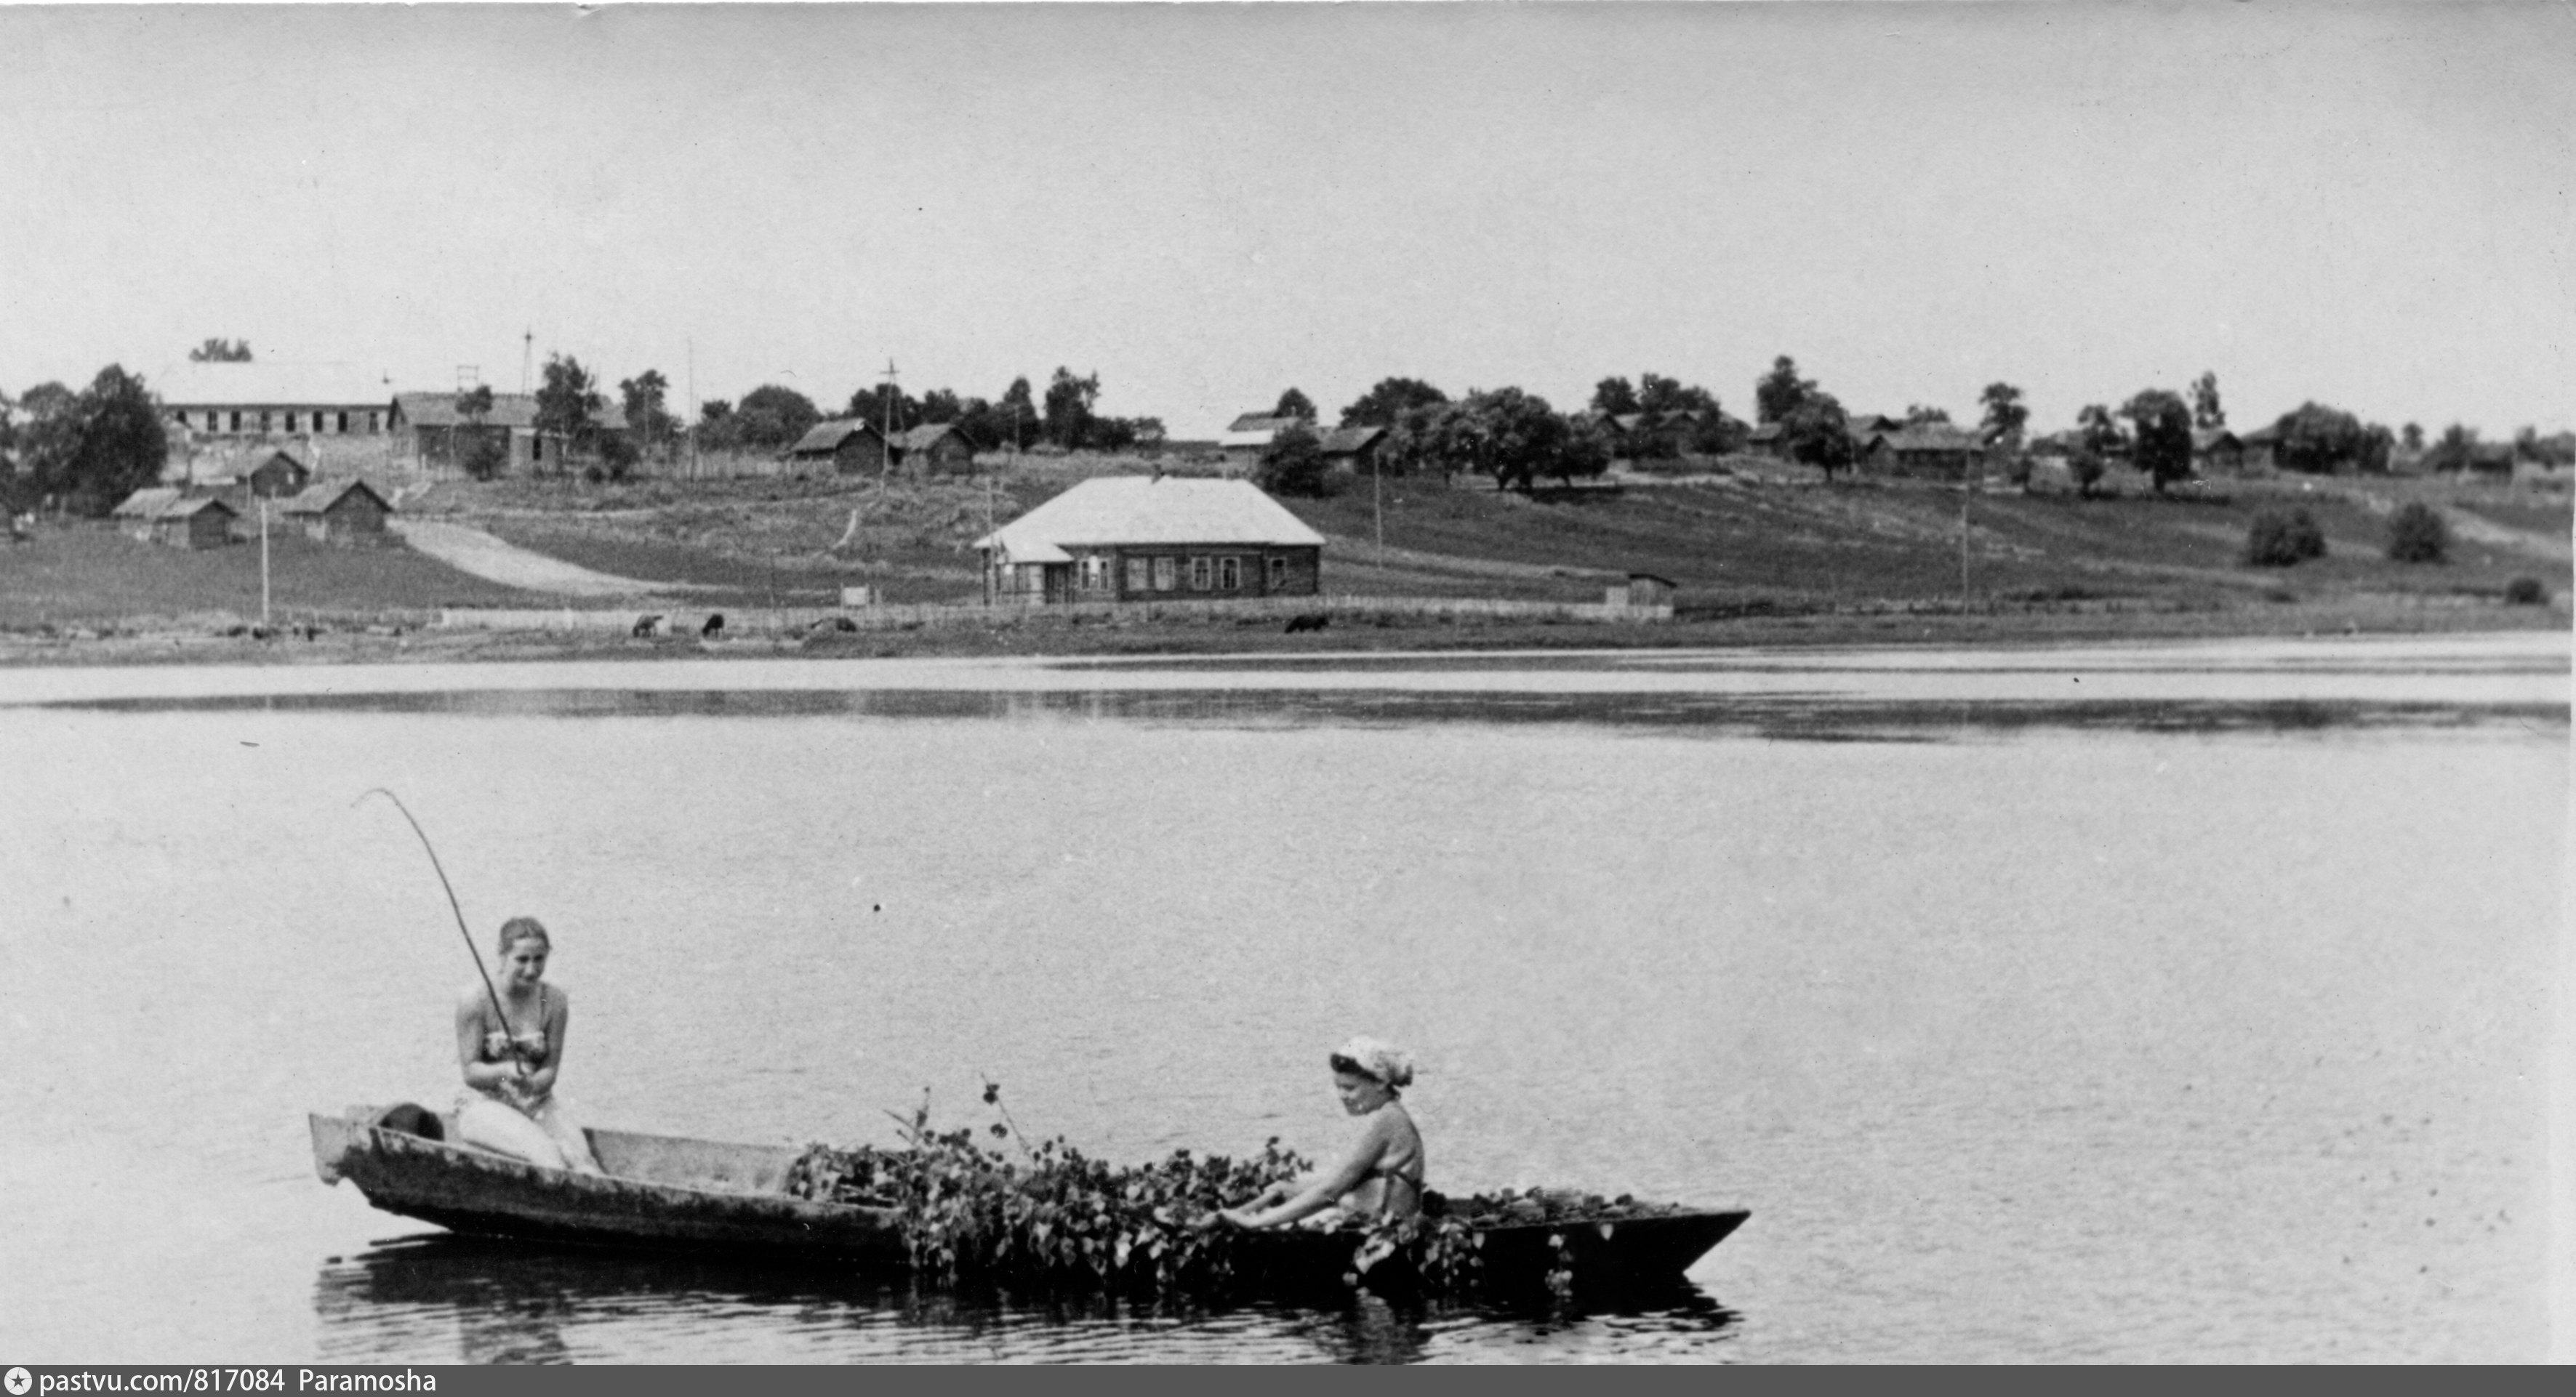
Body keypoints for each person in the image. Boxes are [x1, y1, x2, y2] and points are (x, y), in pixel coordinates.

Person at [1213, 1036, 1424, 1231]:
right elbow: (1339, 1182)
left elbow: (1330, 1192)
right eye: (1338, 1087)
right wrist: (1290, 1188)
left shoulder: (1385, 1120)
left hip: (1382, 1231)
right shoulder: (1392, 1114)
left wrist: (1255, 1222)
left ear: (1380, 1082)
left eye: (1350, 1088)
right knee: (1289, 1195)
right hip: (1378, 1222)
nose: (1342, 1096)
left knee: (1273, 1226)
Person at [453, 916, 603, 1174]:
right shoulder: (475, 1000)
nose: (532, 970)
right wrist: (505, 1072)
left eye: (539, 959)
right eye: (522, 960)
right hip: (484, 1105)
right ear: (502, 956)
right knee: (548, 1156)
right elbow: (471, 1073)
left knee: (584, 1163)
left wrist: (534, 1084)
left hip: (536, 1103)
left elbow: (550, 1069)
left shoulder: (554, 1001)